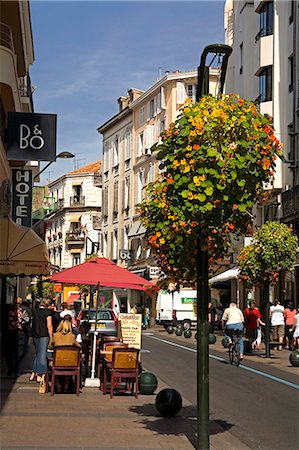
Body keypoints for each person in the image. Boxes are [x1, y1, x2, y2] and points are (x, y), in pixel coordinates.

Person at [48, 319, 81, 393]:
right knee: (69, 362)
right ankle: (66, 385)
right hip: (70, 363)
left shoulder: (55, 336)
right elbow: (78, 346)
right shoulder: (72, 336)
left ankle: (57, 384)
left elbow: (50, 346)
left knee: (51, 364)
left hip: (57, 362)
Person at [30, 298, 53, 391]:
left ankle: (33, 373)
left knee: (38, 353)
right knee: (43, 354)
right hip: (44, 335)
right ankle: (41, 374)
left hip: (35, 334)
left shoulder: (35, 312)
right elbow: (49, 326)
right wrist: (51, 337)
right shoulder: (47, 313)